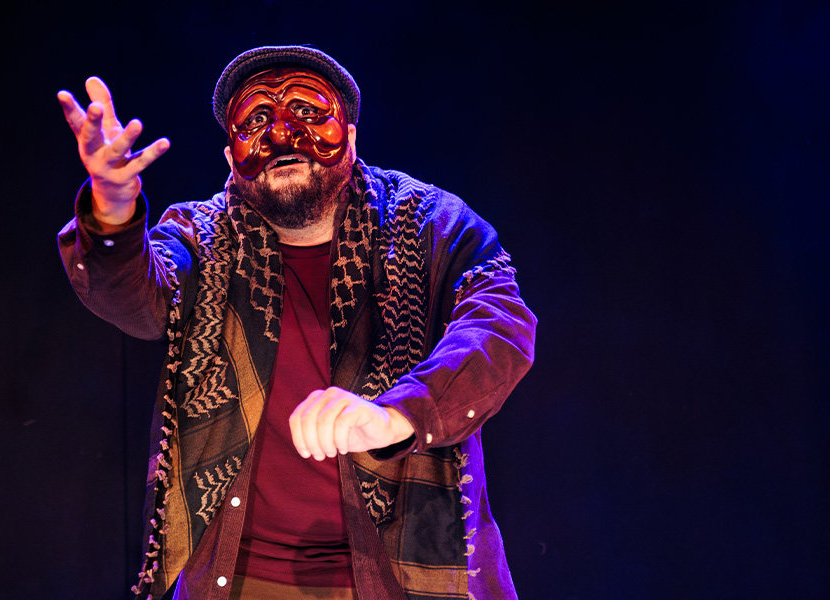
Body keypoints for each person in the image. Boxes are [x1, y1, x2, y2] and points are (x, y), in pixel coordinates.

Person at [56, 45, 537, 600]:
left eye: (308, 113)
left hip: (405, 574)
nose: (282, 136)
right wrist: (112, 210)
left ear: (352, 137)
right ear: (229, 156)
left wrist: (397, 415)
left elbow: (501, 328)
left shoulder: (433, 224)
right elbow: (136, 295)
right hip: (238, 578)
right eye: (256, 120)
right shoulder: (199, 236)